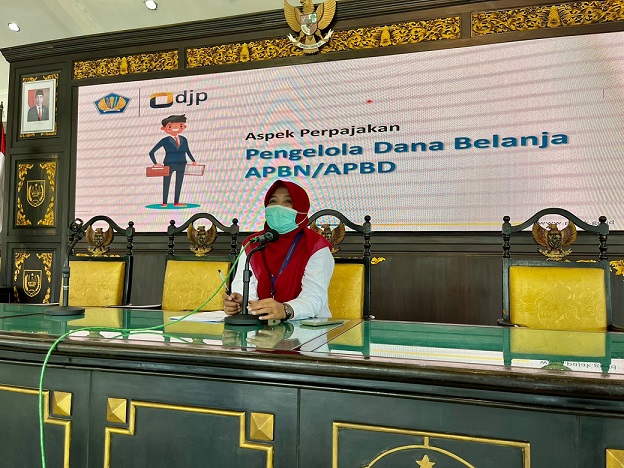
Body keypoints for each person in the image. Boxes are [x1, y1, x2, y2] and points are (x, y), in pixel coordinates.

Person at [223, 180, 334, 321]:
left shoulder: (315, 246)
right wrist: (241, 303)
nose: (278, 207)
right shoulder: (253, 243)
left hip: (308, 327)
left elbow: (314, 299)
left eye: (288, 201)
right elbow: (245, 290)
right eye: (273, 201)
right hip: (260, 328)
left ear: (301, 208)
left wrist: (285, 310)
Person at [148, 114, 196, 207]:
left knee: (179, 183)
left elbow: (187, 151)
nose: (175, 128)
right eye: (170, 126)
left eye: (180, 125)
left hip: (182, 164)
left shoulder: (184, 139)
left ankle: (176, 202)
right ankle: (164, 202)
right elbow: (151, 152)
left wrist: (193, 160)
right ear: (163, 128)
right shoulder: (165, 140)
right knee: (166, 183)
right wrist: (155, 163)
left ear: (184, 127)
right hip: (169, 164)